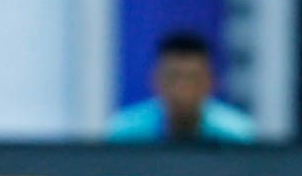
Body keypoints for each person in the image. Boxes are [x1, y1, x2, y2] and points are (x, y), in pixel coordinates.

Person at [106, 30, 257, 144]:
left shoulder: (239, 135)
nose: (182, 89)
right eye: (173, 77)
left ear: (211, 82)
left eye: (193, 78)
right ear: (155, 81)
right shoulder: (125, 134)